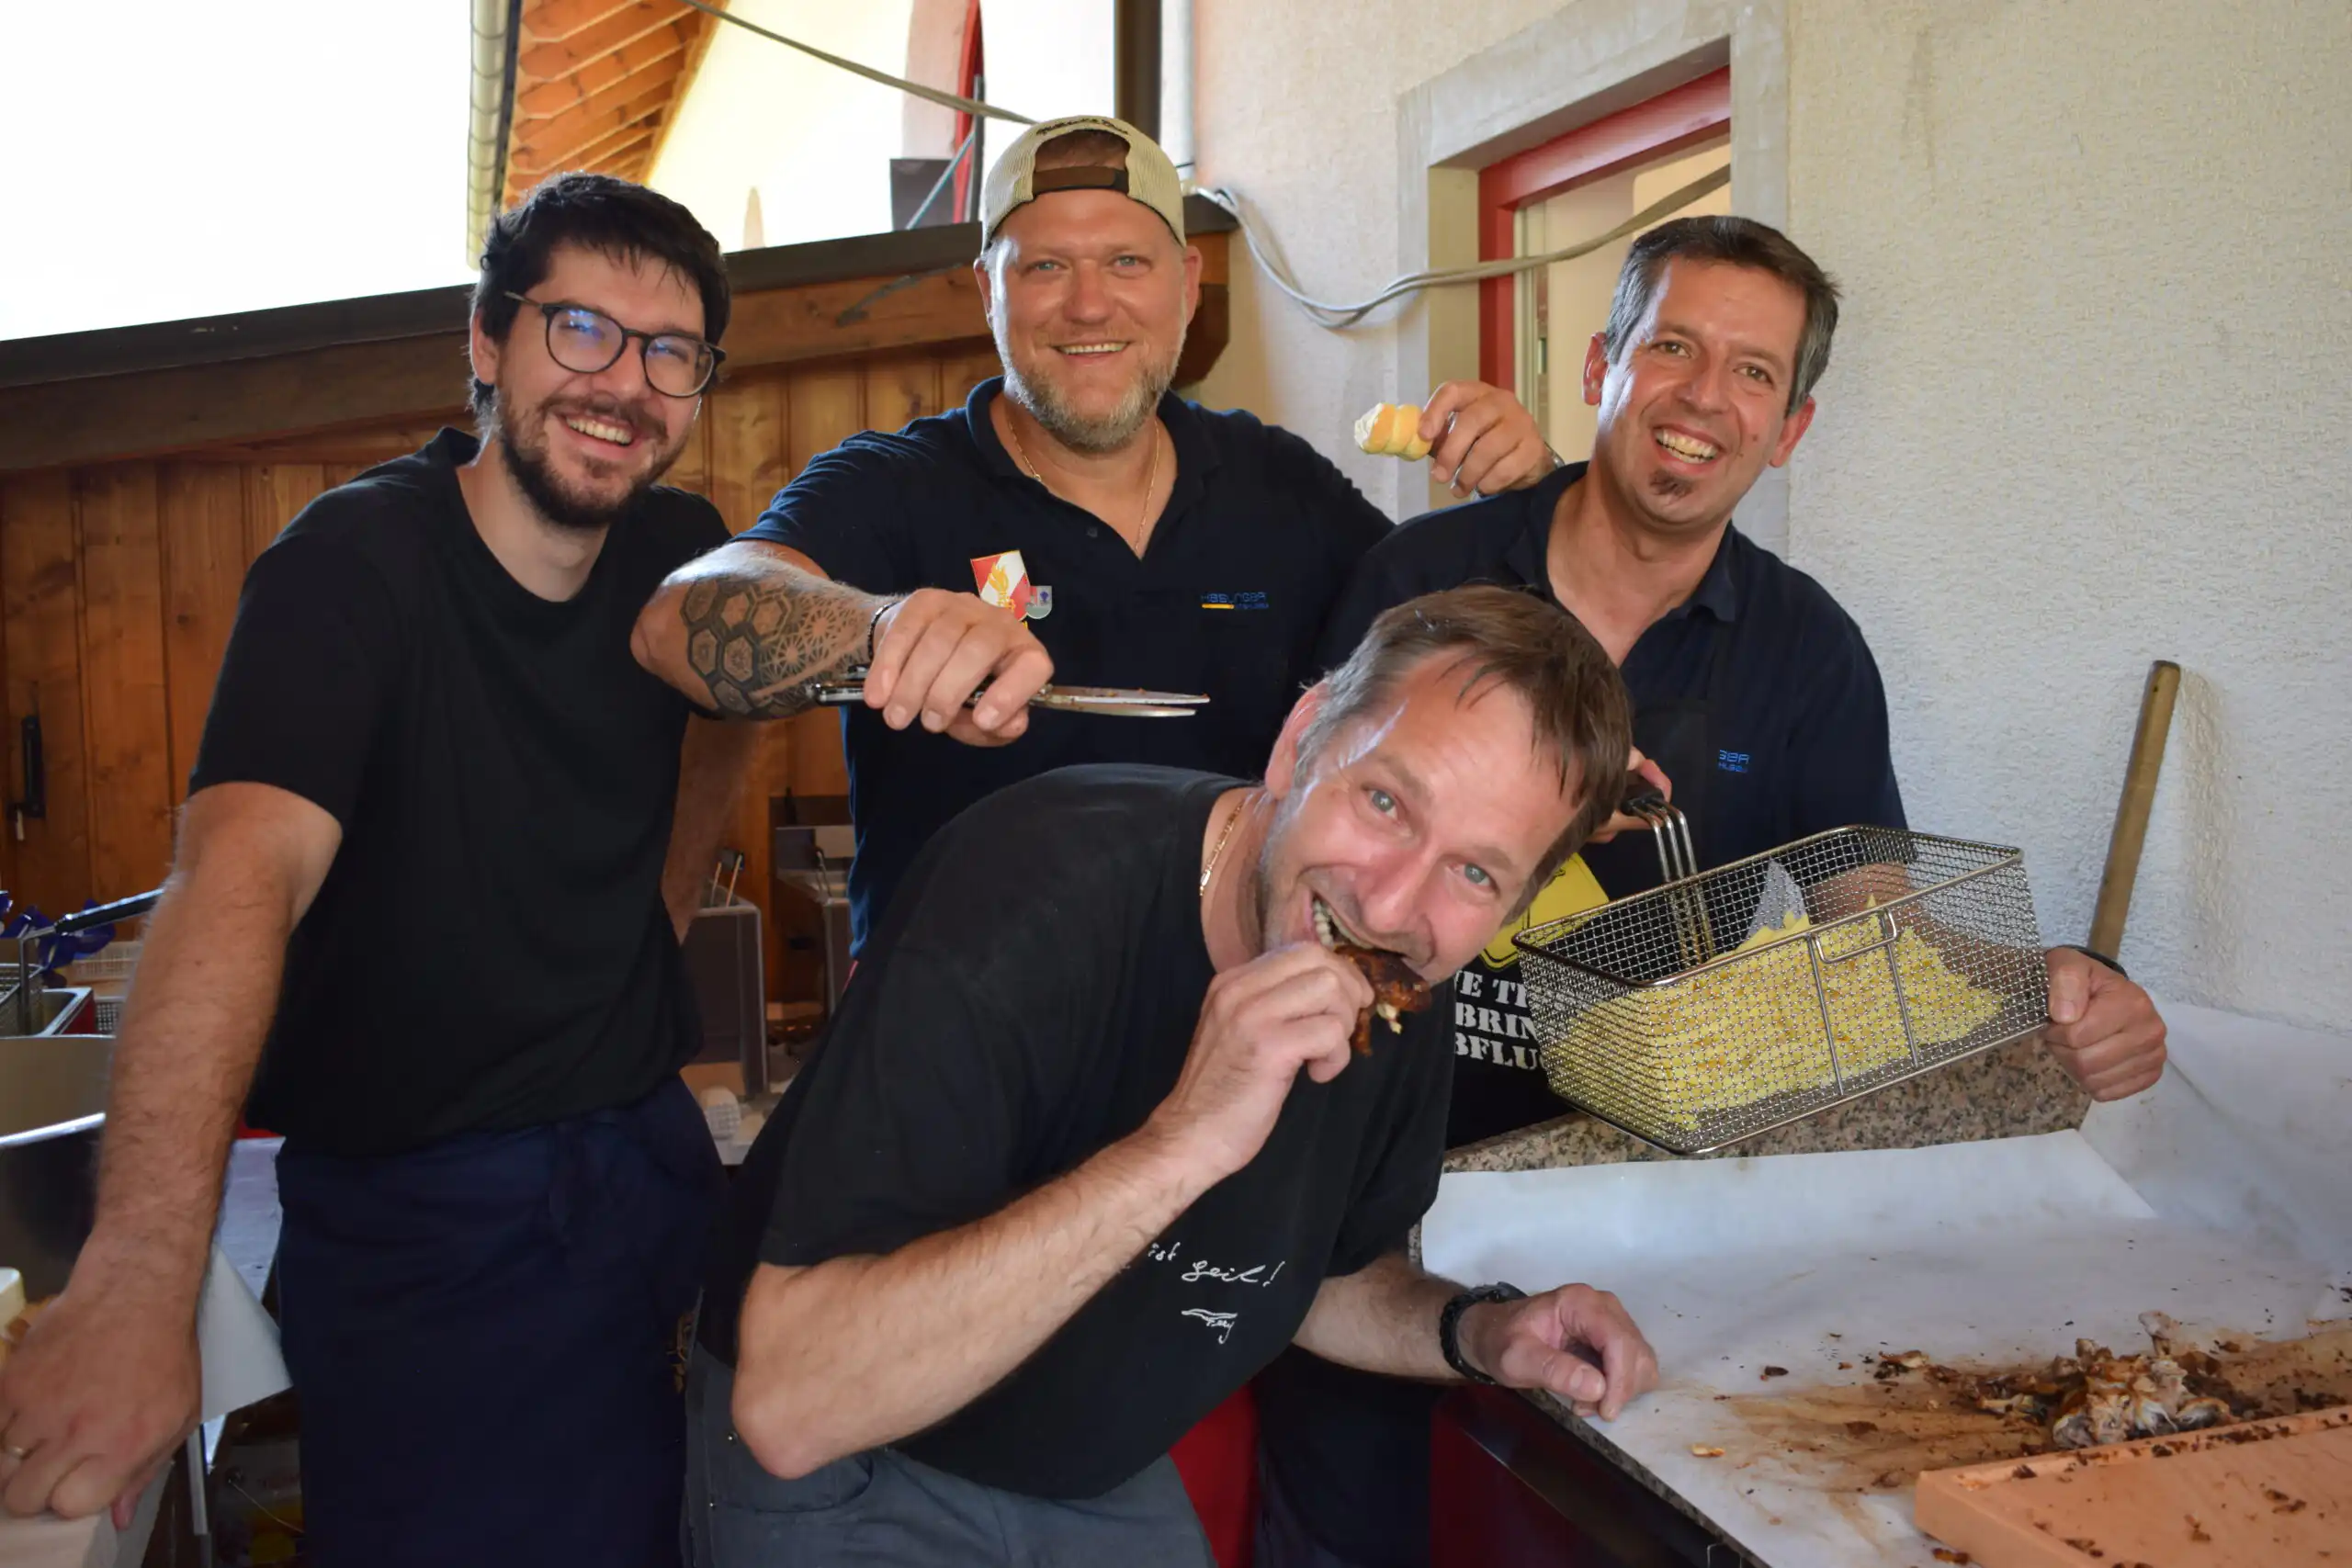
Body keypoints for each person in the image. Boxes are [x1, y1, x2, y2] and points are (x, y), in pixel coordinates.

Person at [1252, 215, 2173, 1568]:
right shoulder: (1421, 577)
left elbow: (1877, 925)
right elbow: (1292, 842)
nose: (1703, 398)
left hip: (1629, 1209)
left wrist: (2047, 989)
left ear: (1789, 429)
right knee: (1352, 1530)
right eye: (1672, 347)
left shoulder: (1808, 649)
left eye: (1753, 373)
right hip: (1376, 1183)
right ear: (1602, 368)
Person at [0, 174, 751, 1566]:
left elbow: (729, 712)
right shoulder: (350, 567)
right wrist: (138, 1277)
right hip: (428, 1222)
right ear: (486, 337)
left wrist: (661, 907)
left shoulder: (681, 551)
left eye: (671, 352)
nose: (623, 384)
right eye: (581, 328)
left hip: (649, 1165)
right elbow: (237, 880)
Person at [684, 587, 1657, 1567]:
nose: (1392, 905)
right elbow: (791, 1408)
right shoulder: (1026, 886)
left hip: (1087, 1473)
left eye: (1476, 873)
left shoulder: (1406, 989)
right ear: (1301, 742)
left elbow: (1315, 1278)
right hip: (861, 1455)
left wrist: (1480, 1332)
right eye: (1384, 801)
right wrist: (1185, 1141)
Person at [631, 115, 1557, 953]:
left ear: (1186, 286)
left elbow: (1464, 661)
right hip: (962, 1036)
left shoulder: (1279, 483)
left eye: (1126, 262)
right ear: (987, 290)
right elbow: (679, 621)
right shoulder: (896, 485)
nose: (1087, 305)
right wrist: (880, 629)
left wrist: (1536, 496)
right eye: (1044, 267)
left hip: (1233, 1017)